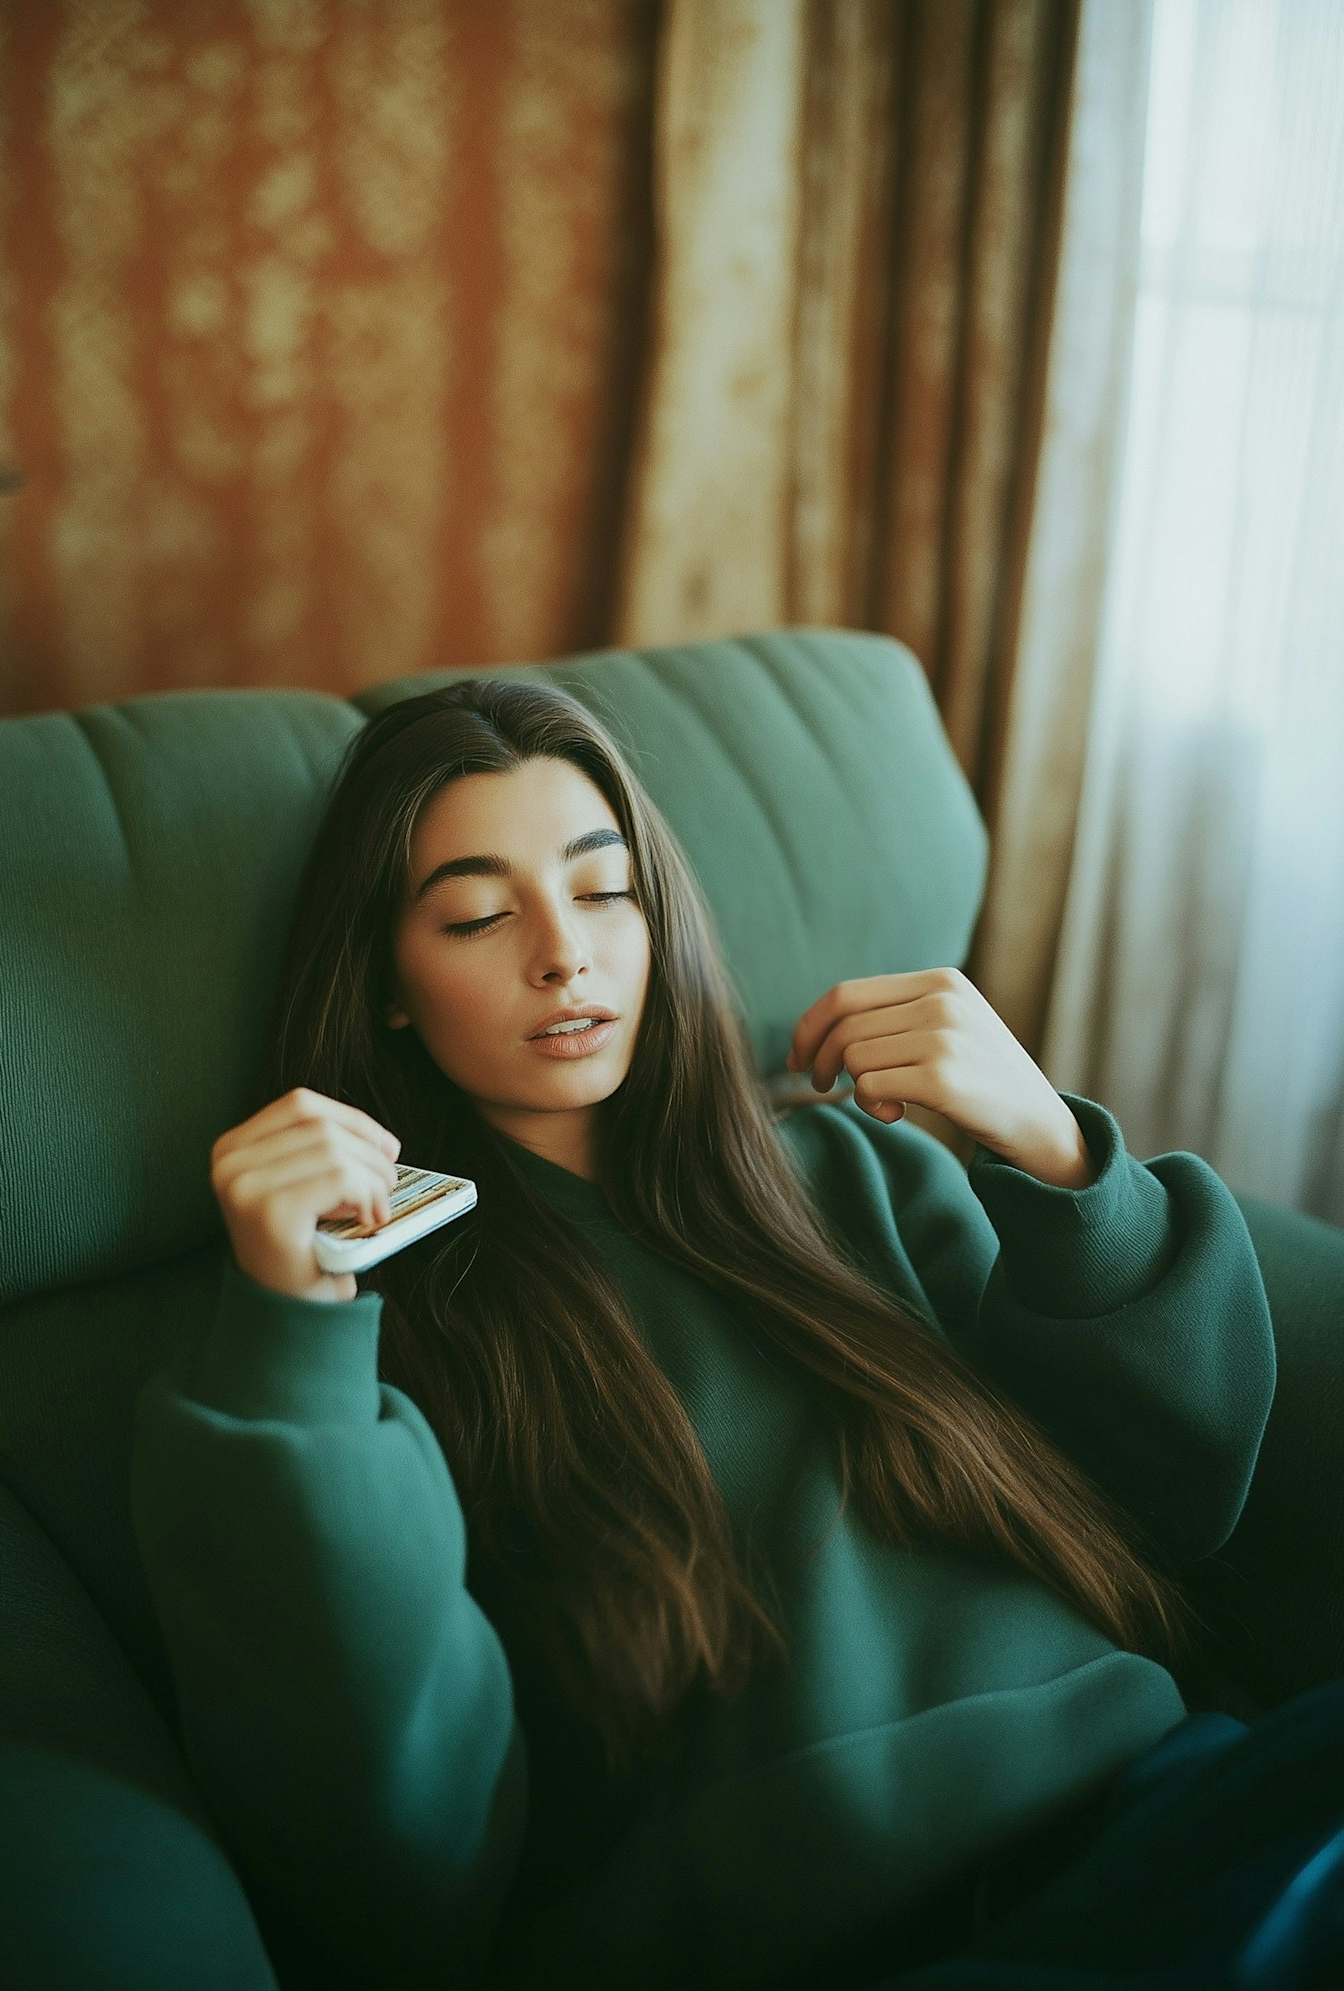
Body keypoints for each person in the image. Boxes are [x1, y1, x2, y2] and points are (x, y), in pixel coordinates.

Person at [129, 677, 1341, 1990]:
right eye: (478, 914)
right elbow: (388, 1847)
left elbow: (1174, 1487)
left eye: (604, 892)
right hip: (863, 1933)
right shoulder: (370, 1336)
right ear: (387, 988)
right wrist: (294, 1335)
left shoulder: (847, 1173)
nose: (563, 953)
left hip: (1177, 1801)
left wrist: (1054, 1153)